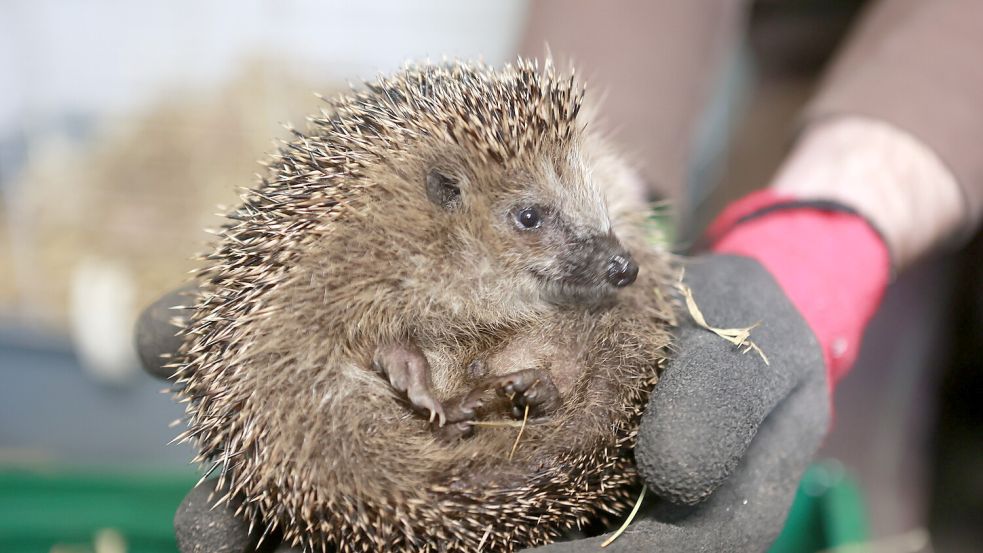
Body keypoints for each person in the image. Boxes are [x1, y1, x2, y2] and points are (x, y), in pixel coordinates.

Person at [136, 1, 983, 550]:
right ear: (441, 198)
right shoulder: (375, 258)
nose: (606, 252)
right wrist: (633, 197)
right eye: (532, 218)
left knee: (785, 416)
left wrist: (823, 231)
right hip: (784, 43)